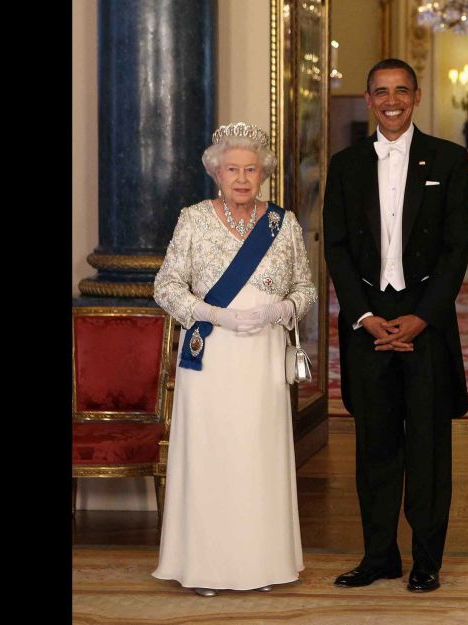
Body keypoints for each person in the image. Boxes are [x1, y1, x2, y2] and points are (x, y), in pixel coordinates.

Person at [322, 58, 468, 594]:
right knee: (375, 447)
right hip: (368, 323)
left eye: (401, 90)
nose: (392, 100)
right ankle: (379, 555)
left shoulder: (450, 160)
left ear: (417, 96)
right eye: (381, 91)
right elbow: (335, 246)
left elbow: (458, 249)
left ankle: (426, 561)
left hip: (426, 323)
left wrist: (421, 317)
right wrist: (365, 316)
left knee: (429, 448)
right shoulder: (344, 165)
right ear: (368, 99)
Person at [152, 122, 317, 596]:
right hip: (211, 354)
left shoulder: (281, 224)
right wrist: (210, 314)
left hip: (262, 355)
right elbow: (166, 286)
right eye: (232, 169)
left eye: (250, 169)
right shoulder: (193, 218)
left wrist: (283, 308)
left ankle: (262, 565)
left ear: (263, 174)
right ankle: (206, 567)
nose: (242, 178)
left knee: (256, 456)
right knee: (212, 455)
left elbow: (304, 288)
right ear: (216, 173)